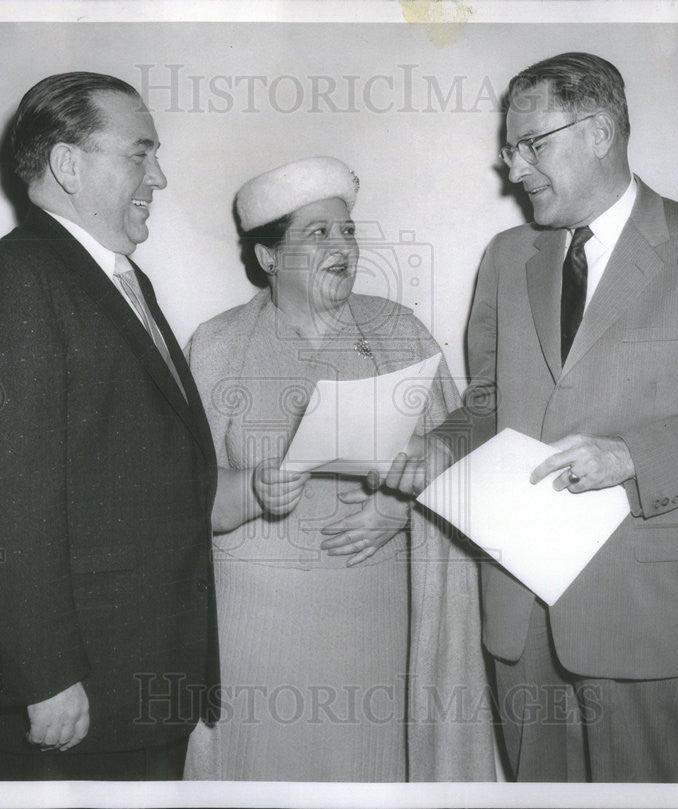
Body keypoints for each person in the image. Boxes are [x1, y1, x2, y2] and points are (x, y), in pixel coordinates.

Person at [383, 53, 678, 782]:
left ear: (600, 131)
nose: (514, 168)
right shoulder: (507, 256)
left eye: (531, 144)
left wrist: (633, 454)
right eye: (510, 149)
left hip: (639, 605)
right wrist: (439, 448)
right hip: (517, 605)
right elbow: (487, 397)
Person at [0, 72, 298, 780]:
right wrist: (43, 677)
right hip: (74, 701)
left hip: (132, 690)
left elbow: (123, 478)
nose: (159, 174)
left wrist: (240, 489)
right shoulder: (13, 282)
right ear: (68, 163)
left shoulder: (115, 279)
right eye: (139, 153)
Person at [182, 157, 494, 781]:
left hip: (373, 620)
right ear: (269, 257)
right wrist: (255, 489)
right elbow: (183, 498)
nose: (342, 247)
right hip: (255, 631)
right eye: (318, 233)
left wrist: (402, 505)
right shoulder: (216, 345)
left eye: (347, 231)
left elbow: (464, 454)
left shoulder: (399, 331)